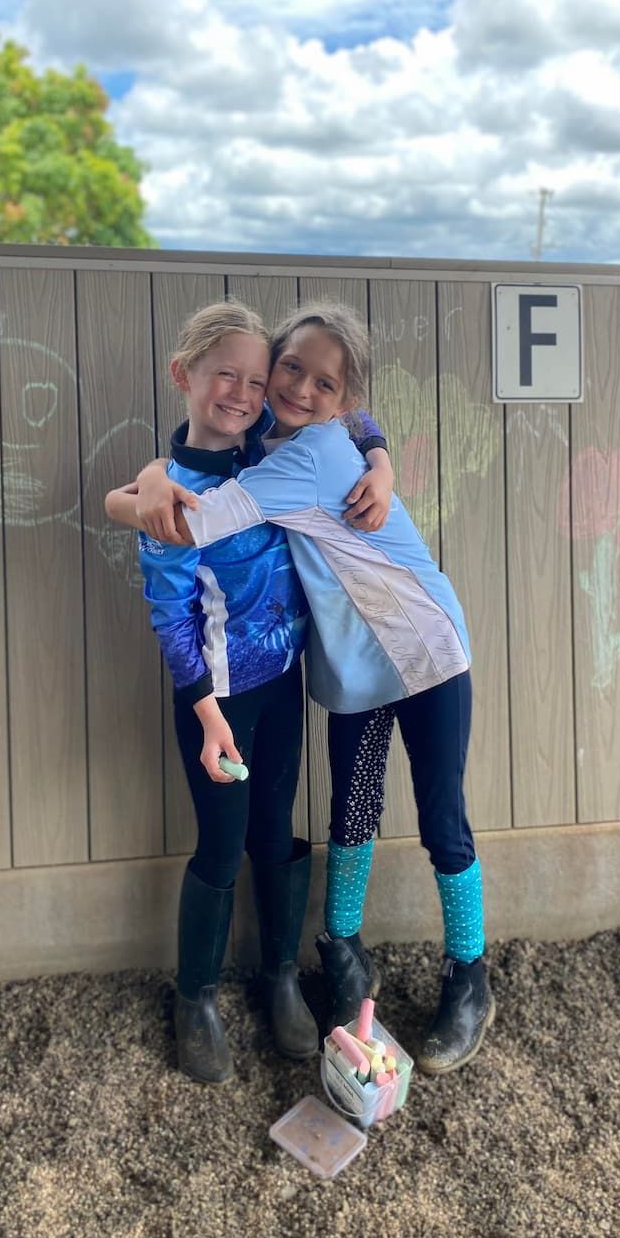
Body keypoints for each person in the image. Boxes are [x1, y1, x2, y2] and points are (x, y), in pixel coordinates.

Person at [116, 301, 493, 1075]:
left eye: (323, 381)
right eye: (288, 368)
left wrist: (124, 497)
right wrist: (152, 474)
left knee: (442, 817)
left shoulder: (302, 457)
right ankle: (341, 947)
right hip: (353, 665)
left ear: (342, 397)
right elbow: (207, 477)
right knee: (351, 808)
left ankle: (470, 976)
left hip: (424, 652)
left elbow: (189, 521)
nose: (296, 386)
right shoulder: (267, 435)